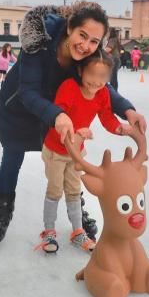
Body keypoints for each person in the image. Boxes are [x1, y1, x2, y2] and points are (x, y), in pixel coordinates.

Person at [0, 2, 147, 248]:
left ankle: (77, 211)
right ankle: (3, 211)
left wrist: (127, 110)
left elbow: (101, 87)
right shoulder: (38, 44)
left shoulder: (89, 56)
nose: (85, 46)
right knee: (12, 157)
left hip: (58, 112)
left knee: (71, 160)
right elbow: (28, 92)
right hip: (19, 108)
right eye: (82, 35)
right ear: (69, 28)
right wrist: (57, 115)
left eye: (94, 41)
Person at [36, 49, 134, 253]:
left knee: (73, 190)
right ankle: (49, 231)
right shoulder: (69, 87)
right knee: (55, 190)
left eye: (102, 77)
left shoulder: (103, 93)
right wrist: (74, 129)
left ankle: (78, 232)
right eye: (92, 74)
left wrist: (119, 128)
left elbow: (107, 117)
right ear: (81, 71)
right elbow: (58, 114)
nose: (96, 82)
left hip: (76, 153)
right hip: (56, 148)